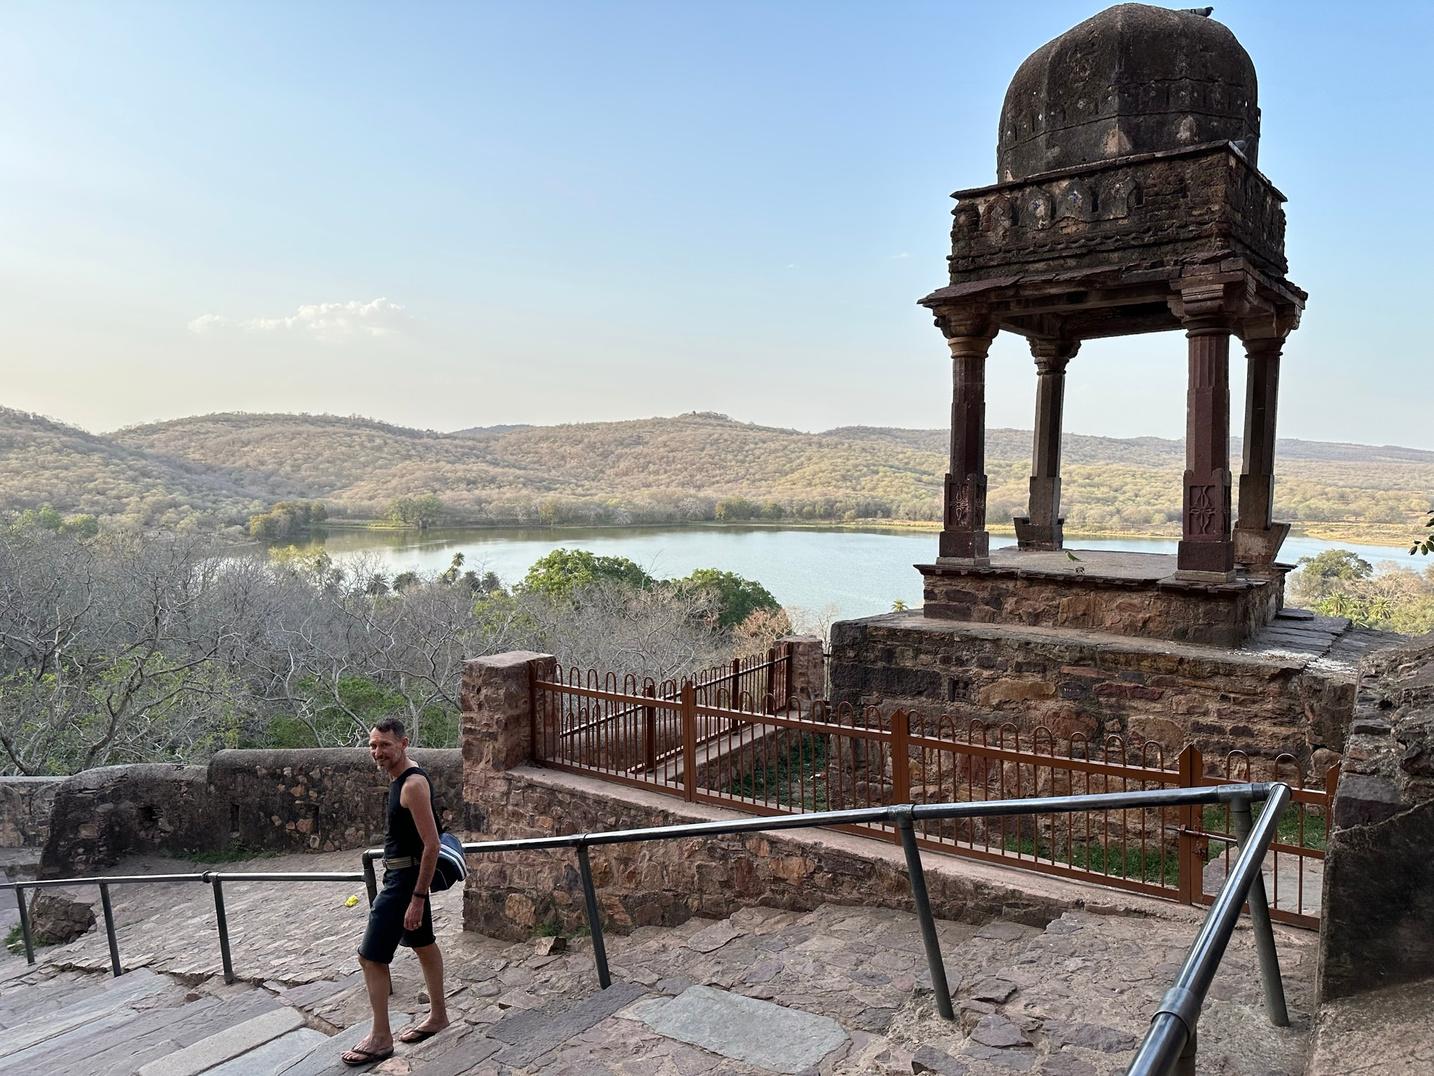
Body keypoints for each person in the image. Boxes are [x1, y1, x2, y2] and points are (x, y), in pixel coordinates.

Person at [342, 717, 451, 1067]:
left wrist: (416, 898)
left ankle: (381, 1037)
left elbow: (432, 844)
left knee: (371, 957)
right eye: (373, 745)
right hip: (404, 876)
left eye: (385, 745)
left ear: (403, 744)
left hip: (403, 883)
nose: (378, 752)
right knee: (423, 944)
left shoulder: (412, 785)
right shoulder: (402, 776)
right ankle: (438, 1015)